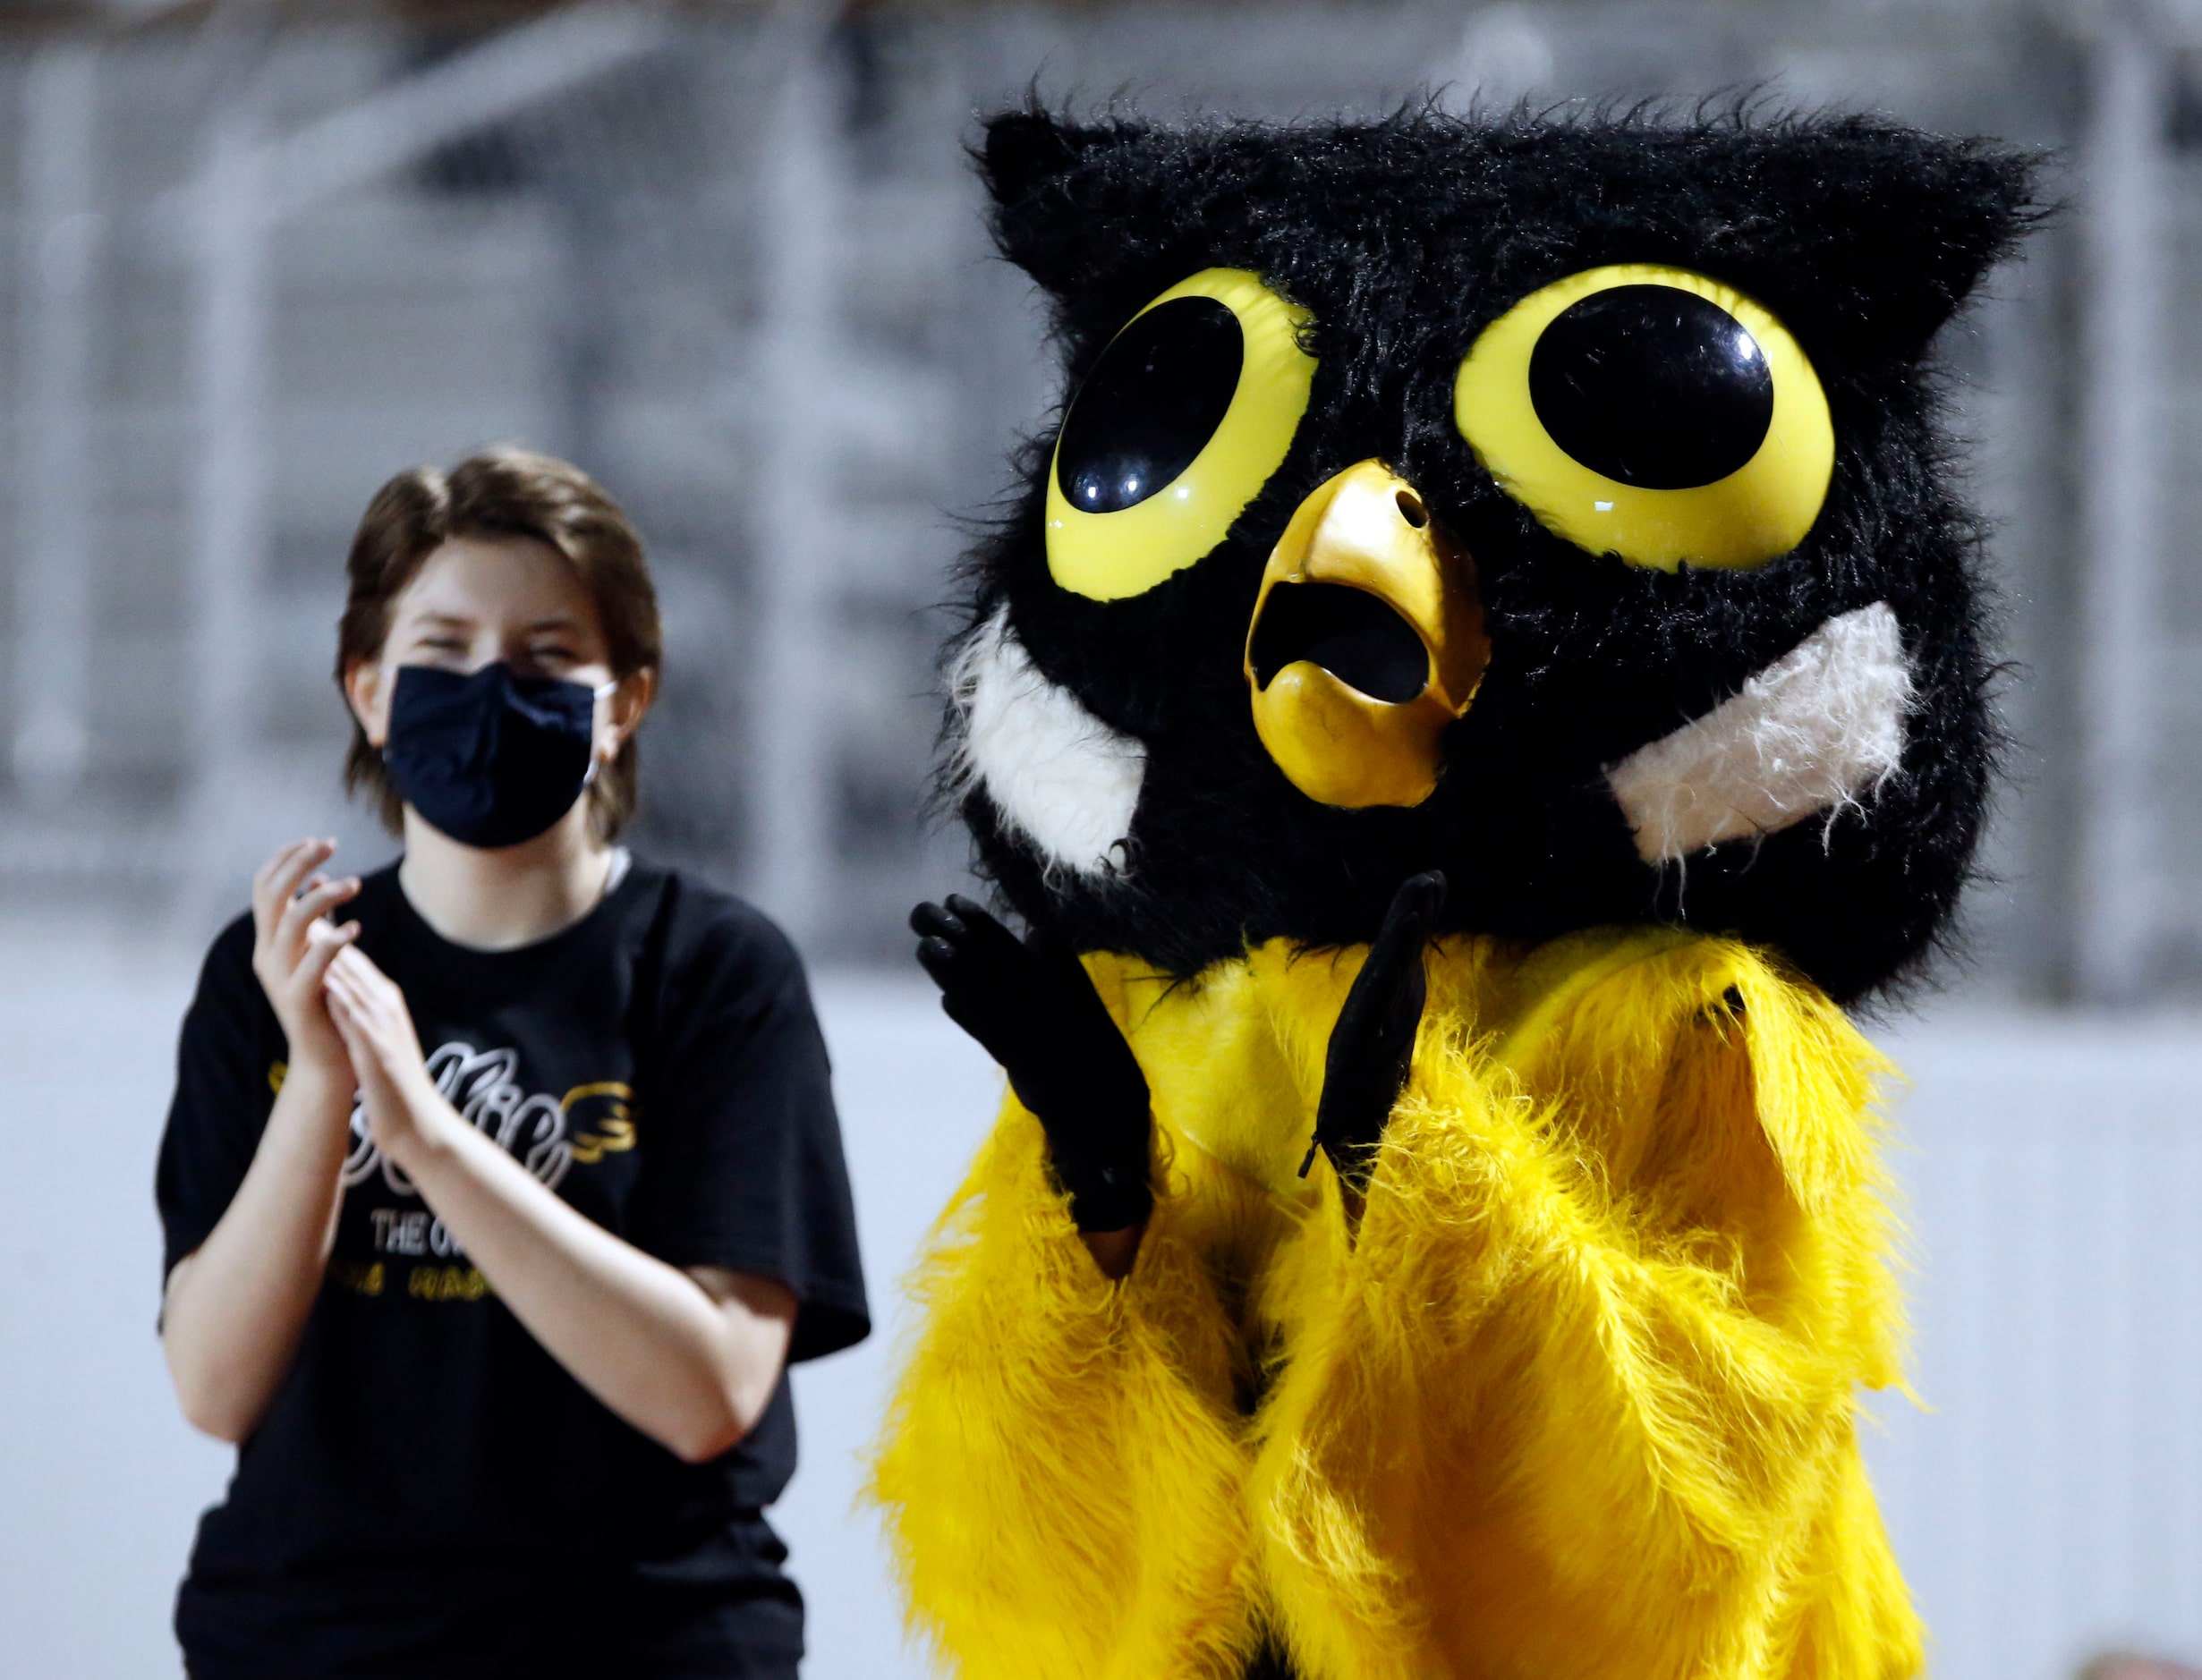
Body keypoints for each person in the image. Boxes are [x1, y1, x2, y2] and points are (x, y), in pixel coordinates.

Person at [155, 448, 868, 1679]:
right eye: (441, 652)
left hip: (645, 1643)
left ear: (624, 701)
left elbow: (710, 1391)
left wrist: (430, 1137)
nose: (490, 687)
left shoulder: (716, 972)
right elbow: (216, 1386)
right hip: (310, 1641)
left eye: (545, 654)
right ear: (369, 692)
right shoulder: (271, 973)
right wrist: (324, 1086)